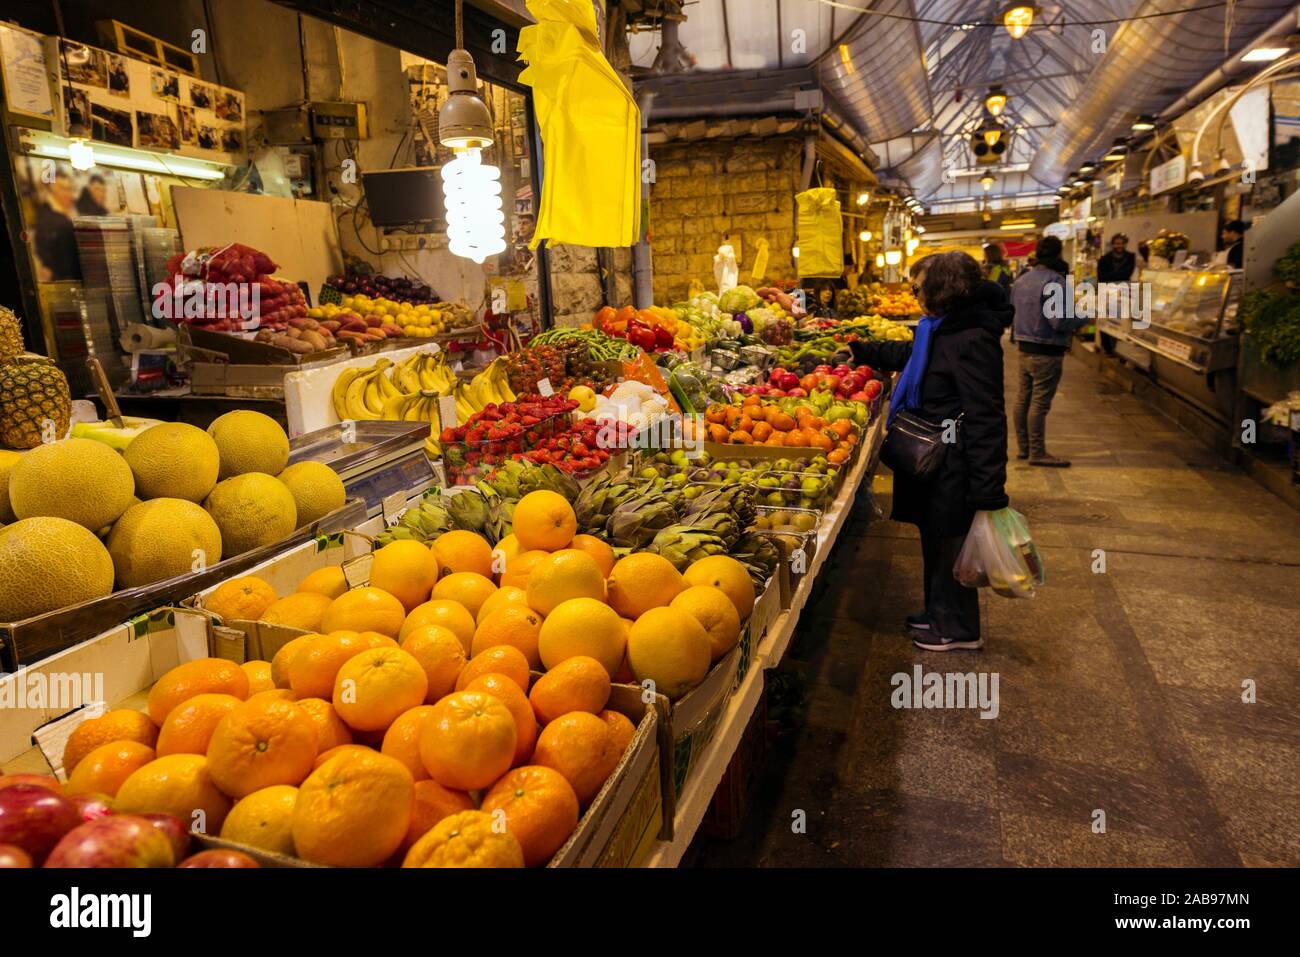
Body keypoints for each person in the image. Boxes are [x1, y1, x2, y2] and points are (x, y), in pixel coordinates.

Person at [846, 251, 1011, 651]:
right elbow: (912, 355)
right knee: (936, 540)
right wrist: (863, 350)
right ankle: (939, 612)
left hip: (956, 463)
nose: (914, 291)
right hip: (937, 460)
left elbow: (987, 416)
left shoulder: (971, 338)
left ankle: (957, 628)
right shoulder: (940, 328)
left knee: (950, 541)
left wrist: (989, 489)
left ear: (941, 287)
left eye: (918, 285)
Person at [1010, 235, 1088, 467]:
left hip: (1024, 347)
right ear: (1058, 254)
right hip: (1047, 349)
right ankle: (1038, 452)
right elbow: (1059, 322)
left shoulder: (1022, 280)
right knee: (1039, 403)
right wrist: (1084, 317)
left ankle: (1024, 449)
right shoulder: (1055, 281)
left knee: (1023, 399)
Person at [33, 169, 80, 281]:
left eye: (70, 189)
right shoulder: (46, 218)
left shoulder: (72, 210)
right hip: (64, 280)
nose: (68, 194)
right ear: (51, 190)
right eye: (63, 189)